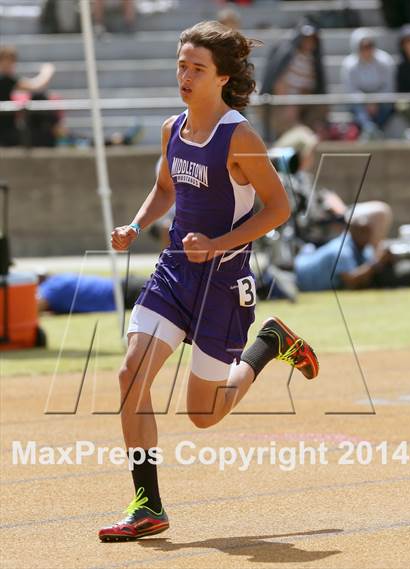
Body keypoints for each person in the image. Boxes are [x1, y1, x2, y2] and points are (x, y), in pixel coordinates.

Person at [98, 20, 319, 542]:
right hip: (175, 272)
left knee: (204, 415)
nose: (185, 75)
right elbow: (164, 188)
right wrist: (135, 224)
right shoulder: (173, 129)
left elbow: (279, 207)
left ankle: (269, 343)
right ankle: (148, 505)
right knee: (132, 377)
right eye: (181, 65)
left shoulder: (239, 136)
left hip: (222, 282)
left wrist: (218, 244)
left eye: (197, 68)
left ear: (221, 78)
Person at [260, 20, 327, 139]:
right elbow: (277, 83)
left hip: (303, 106)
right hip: (282, 104)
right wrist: (288, 103)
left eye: (312, 39)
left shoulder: (313, 60)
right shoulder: (287, 55)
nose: (308, 43)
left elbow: (314, 87)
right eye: (306, 39)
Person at [341, 29, 395, 139]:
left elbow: (388, 88)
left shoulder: (385, 61)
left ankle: (371, 132)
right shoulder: (349, 65)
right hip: (360, 102)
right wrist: (366, 101)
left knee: (388, 105)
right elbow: (351, 91)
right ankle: (370, 129)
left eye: (370, 46)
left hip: (381, 101)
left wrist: (375, 100)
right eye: (363, 47)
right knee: (358, 109)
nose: (367, 50)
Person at [0, 46, 55, 147]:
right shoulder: (7, 80)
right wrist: (47, 71)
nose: (10, 65)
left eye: (12, 62)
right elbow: (37, 86)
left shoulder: (9, 80)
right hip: (5, 131)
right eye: (7, 61)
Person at [37, 273, 145, 313]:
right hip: (125, 288)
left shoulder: (50, 287)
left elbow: (34, 306)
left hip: (125, 292)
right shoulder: (59, 280)